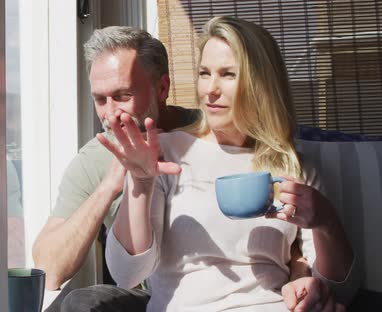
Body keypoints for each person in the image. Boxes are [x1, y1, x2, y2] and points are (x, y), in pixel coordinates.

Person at [97, 16, 360, 311]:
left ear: (261, 83)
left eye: (228, 74)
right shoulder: (166, 153)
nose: (210, 89)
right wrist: (141, 186)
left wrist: (327, 224)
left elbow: (342, 290)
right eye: (204, 73)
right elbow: (126, 274)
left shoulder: (293, 166)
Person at [32, 26, 199, 309]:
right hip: (156, 296)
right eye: (100, 99)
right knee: (83, 302)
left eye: (122, 96)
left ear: (162, 88)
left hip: (222, 287)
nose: (110, 115)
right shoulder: (95, 159)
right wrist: (110, 184)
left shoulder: (209, 134)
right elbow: (50, 269)